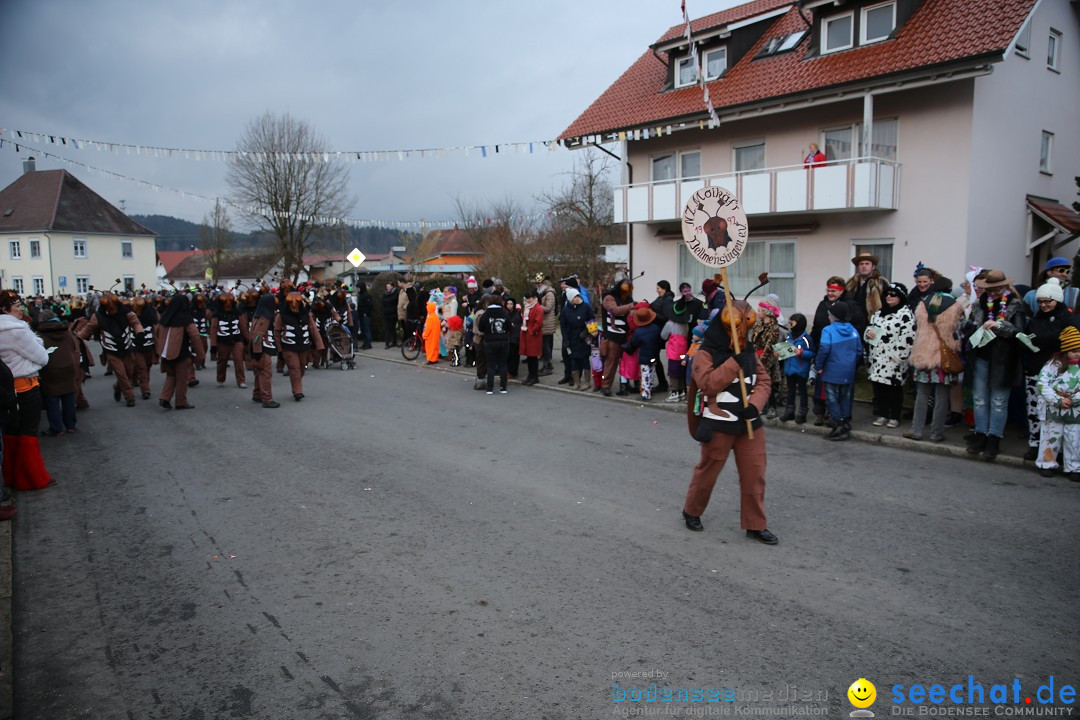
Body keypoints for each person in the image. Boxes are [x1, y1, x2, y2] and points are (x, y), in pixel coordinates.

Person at [681, 299, 777, 545]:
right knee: (709, 470)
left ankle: (756, 524)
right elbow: (708, 384)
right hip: (718, 424)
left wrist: (754, 405)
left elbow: (764, 381)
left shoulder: (748, 352)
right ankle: (692, 510)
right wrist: (735, 362)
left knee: (755, 473)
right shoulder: (705, 352)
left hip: (748, 424)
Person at [962, 270, 1024, 461]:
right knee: (980, 399)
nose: (995, 292)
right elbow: (967, 326)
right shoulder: (979, 303)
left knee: (998, 402)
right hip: (981, 356)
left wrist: (1000, 326)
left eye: (998, 289)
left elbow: (1019, 331)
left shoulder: (1014, 305)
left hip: (1003, 360)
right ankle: (980, 435)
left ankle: (994, 438)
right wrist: (976, 326)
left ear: (1004, 287)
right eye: (991, 289)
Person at [1019, 276, 1077, 460]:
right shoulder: (1036, 318)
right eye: (1040, 301)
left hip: (1061, 373)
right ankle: (1035, 445)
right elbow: (1029, 337)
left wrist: (1039, 339)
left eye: (1048, 301)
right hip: (1035, 370)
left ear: (1057, 300)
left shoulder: (1069, 319)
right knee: (1035, 410)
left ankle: (1058, 451)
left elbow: (1065, 342)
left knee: (1058, 413)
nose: (1044, 305)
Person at [0, 291, 52, 496]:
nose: (20, 308)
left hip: (6, 387)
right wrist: (37, 343)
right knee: (28, 433)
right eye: (16, 305)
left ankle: (11, 476)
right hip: (26, 386)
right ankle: (32, 478)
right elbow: (42, 358)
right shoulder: (16, 330)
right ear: (5, 309)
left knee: (11, 434)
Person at [905, 277, 966, 443]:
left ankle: (916, 430)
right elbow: (960, 329)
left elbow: (915, 326)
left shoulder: (923, 303)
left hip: (922, 354)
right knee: (941, 396)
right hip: (943, 357)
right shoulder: (956, 306)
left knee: (922, 394)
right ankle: (936, 433)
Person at [75, 292, 145, 407]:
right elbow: (88, 328)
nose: (111, 308)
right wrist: (77, 338)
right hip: (111, 349)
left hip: (126, 347)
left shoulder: (126, 312)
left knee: (129, 373)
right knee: (120, 373)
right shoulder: (98, 316)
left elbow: (135, 322)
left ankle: (118, 388)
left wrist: (140, 332)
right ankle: (129, 397)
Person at [865, 282, 916, 428]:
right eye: (887, 294)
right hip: (877, 358)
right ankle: (882, 414)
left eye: (893, 294)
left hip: (894, 360)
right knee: (879, 388)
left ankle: (894, 416)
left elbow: (908, 338)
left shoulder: (905, 315)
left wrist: (898, 357)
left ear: (900, 297)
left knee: (893, 389)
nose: (889, 297)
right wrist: (868, 333)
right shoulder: (879, 313)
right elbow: (870, 328)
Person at [1035, 326, 1080, 481]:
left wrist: (1074, 399)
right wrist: (1057, 400)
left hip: (1075, 409)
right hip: (1055, 406)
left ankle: (1074, 467)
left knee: (1074, 439)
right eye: (1074, 350)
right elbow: (1042, 383)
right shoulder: (1054, 364)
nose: (1078, 354)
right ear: (1066, 350)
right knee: (1051, 436)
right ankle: (1047, 463)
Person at [816, 301, 862, 441]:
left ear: (833, 316)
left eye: (829, 314)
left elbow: (824, 349)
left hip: (832, 369)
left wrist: (818, 365)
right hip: (848, 370)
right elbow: (859, 350)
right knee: (845, 397)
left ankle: (838, 425)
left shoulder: (828, 330)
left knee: (832, 398)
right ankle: (846, 422)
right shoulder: (853, 330)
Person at [810, 276, 852, 425]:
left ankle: (835, 415)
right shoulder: (823, 304)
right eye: (828, 290)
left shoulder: (849, 305)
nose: (830, 293)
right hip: (822, 349)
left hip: (838, 354)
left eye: (834, 290)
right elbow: (816, 326)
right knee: (820, 384)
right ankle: (820, 412)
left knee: (834, 389)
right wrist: (812, 344)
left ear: (841, 291)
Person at [155, 293, 206, 410]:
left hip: (165, 353)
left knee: (171, 375)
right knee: (182, 378)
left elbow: (156, 332)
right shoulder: (185, 318)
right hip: (180, 352)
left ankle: (164, 398)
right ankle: (181, 402)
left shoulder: (165, 317)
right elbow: (195, 336)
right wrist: (200, 354)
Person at [36, 310, 80, 435]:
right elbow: (73, 346)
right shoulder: (66, 330)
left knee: (52, 399)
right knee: (69, 396)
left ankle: (57, 428)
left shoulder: (39, 334)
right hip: (68, 365)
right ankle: (70, 425)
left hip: (50, 368)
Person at [275, 291, 324, 401]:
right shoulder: (281, 315)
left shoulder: (306, 314)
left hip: (303, 346)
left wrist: (319, 344)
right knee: (294, 368)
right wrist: (279, 348)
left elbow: (313, 329)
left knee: (302, 368)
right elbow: (277, 331)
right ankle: (297, 391)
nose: (294, 306)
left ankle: (297, 383)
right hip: (289, 346)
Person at [599, 279, 634, 396]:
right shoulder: (609, 298)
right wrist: (631, 306)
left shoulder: (628, 299)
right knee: (611, 362)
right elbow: (615, 310)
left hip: (626, 336)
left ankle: (624, 385)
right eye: (624, 291)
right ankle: (605, 385)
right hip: (613, 337)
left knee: (625, 363)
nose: (626, 294)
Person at [748, 299, 782, 418]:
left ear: (767, 312)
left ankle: (772, 407)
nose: (758, 313)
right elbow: (752, 339)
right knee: (756, 383)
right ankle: (759, 405)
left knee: (769, 383)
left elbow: (769, 346)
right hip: (755, 356)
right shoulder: (758, 324)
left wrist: (762, 361)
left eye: (760, 310)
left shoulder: (774, 328)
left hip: (768, 360)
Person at [247, 292, 280, 408]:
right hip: (263, 349)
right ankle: (267, 399)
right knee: (266, 373)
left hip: (261, 348)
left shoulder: (258, 314)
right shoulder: (265, 317)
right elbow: (257, 335)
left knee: (259, 373)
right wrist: (257, 352)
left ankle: (257, 394)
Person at [779, 313, 814, 424]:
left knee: (803, 391)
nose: (789, 325)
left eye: (791, 323)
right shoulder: (789, 336)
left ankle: (802, 412)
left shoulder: (806, 339)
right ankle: (789, 411)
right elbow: (785, 350)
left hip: (801, 369)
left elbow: (812, 353)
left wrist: (801, 353)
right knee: (790, 391)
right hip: (789, 368)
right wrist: (779, 352)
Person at [845, 251, 889, 336]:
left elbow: (887, 304)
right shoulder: (850, 284)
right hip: (852, 326)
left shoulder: (881, 283)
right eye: (861, 264)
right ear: (858, 267)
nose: (864, 266)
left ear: (873, 267)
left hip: (873, 326)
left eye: (867, 264)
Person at [211, 291, 249, 388]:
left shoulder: (237, 313)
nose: (228, 304)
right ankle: (220, 378)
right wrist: (213, 345)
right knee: (222, 360)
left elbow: (243, 326)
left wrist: (246, 338)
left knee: (239, 359)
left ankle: (241, 380)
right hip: (222, 340)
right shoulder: (217, 314)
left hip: (237, 339)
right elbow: (213, 329)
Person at [559, 288, 595, 390]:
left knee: (585, 359)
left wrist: (587, 331)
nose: (572, 301)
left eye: (573, 298)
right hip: (572, 337)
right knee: (574, 360)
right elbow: (563, 325)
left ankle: (587, 381)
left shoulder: (586, 307)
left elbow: (592, 320)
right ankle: (576, 382)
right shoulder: (566, 310)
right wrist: (565, 339)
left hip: (584, 337)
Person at [625, 304, 662, 401]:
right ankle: (650, 388)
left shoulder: (638, 332)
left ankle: (646, 394)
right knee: (652, 372)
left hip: (644, 356)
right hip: (654, 354)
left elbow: (635, 343)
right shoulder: (656, 328)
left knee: (645, 374)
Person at [478, 296, 510, 394]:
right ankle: (503, 387)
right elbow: (509, 326)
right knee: (503, 365)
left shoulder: (486, 314)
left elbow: (480, 328)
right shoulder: (505, 313)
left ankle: (490, 388)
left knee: (490, 365)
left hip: (489, 342)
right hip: (503, 341)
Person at [130, 295, 158, 400]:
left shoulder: (151, 314)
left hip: (149, 345)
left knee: (147, 366)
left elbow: (156, 327)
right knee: (141, 367)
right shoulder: (130, 315)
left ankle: (137, 379)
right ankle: (145, 390)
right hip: (135, 346)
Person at [534, 274, 558, 376]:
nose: (537, 285)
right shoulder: (542, 293)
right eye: (536, 283)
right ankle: (546, 365)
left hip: (547, 322)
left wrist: (536, 305)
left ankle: (547, 366)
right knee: (543, 346)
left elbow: (548, 308)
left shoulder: (549, 293)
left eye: (539, 283)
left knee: (545, 346)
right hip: (543, 322)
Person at [520, 291, 544, 385]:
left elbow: (538, 323)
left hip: (533, 336)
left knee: (533, 357)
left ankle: (534, 376)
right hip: (528, 335)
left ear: (534, 298)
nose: (527, 300)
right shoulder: (529, 307)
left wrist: (532, 331)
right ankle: (531, 375)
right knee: (529, 358)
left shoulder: (538, 308)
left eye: (529, 298)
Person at [504, 298, 522, 379]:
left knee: (514, 356)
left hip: (514, 338)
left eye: (511, 304)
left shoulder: (517, 314)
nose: (509, 306)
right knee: (508, 355)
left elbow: (516, 326)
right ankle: (509, 371)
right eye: (508, 304)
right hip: (507, 338)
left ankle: (513, 372)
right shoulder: (505, 313)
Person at [354, 282, 374, 349]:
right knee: (363, 329)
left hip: (365, 315)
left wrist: (366, 313)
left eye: (358, 288)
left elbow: (369, 305)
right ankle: (365, 343)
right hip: (361, 315)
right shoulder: (361, 295)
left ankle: (368, 343)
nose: (357, 289)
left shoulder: (366, 295)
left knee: (366, 329)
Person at [381, 282, 400, 348]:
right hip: (386, 313)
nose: (387, 288)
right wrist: (387, 302)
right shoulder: (385, 293)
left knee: (392, 328)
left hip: (393, 313)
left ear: (392, 287)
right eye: (387, 287)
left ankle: (392, 342)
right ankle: (388, 343)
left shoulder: (395, 293)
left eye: (389, 287)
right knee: (388, 328)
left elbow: (392, 300)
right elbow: (383, 301)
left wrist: (387, 302)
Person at [422, 300, 441, 365]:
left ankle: (431, 359)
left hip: (430, 336)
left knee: (430, 348)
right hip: (436, 335)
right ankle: (435, 359)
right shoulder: (436, 317)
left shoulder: (430, 318)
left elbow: (428, 328)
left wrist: (425, 335)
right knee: (435, 347)